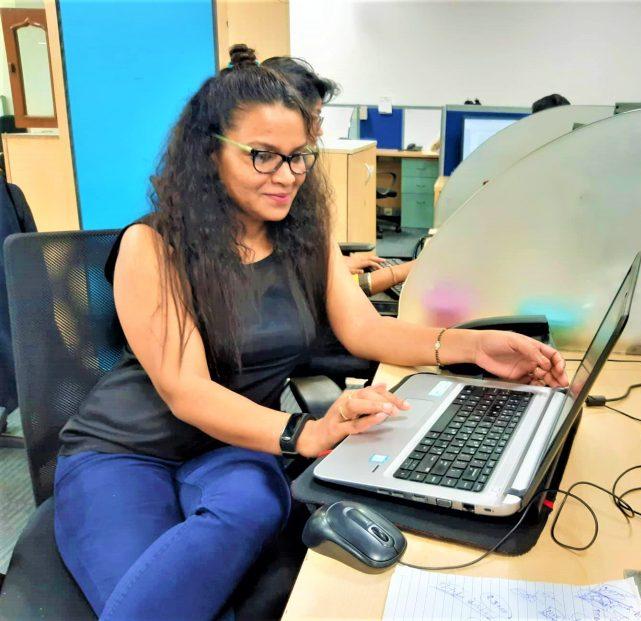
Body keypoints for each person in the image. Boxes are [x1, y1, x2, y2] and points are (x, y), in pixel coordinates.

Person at [53, 44, 569, 620]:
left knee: (252, 510)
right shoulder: (152, 245)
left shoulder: (303, 236)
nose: (287, 176)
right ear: (208, 152)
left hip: (235, 444)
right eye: (262, 156)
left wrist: (471, 344)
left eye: (299, 157)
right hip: (127, 451)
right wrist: (306, 432)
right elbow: (187, 391)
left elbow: (365, 331)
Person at [261, 55, 415, 293]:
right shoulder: (268, 206)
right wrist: (402, 271)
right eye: (315, 117)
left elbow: (307, 269)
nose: (319, 130)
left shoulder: (299, 193)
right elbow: (324, 291)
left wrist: (335, 262)